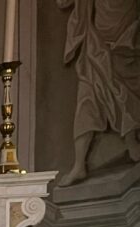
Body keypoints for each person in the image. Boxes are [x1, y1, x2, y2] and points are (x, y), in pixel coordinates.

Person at [56, 0, 140, 186]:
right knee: (87, 99)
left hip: (125, 42)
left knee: (125, 92)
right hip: (96, 45)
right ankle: (79, 164)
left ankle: (131, 140)